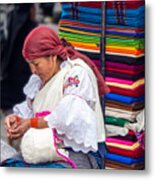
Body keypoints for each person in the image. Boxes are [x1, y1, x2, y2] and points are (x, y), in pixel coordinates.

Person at [4, 25, 110, 169]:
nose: (33, 70)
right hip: (46, 149)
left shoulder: (75, 75)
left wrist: (31, 123)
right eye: (30, 65)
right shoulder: (38, 83)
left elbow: (69, 117)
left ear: (52, 57)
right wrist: (17, 121)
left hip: (77, 152)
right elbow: (29, 114)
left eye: (36, 64)